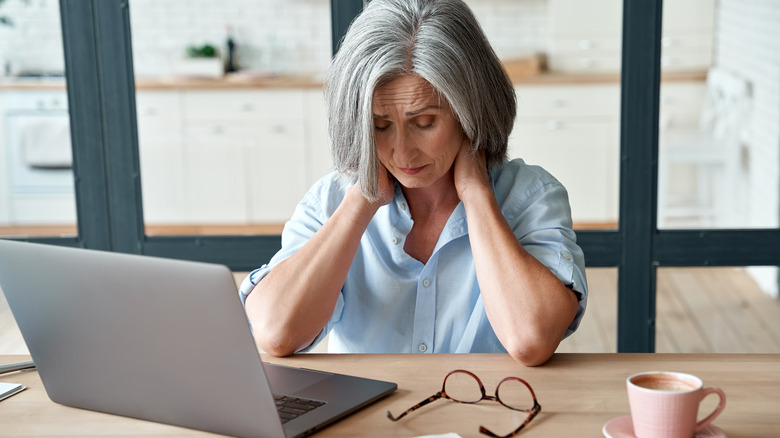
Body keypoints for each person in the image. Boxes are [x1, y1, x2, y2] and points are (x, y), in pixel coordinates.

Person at [239, 0, 587, 366]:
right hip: (367, 421)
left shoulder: (529, 197)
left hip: (487, 416)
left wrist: (477, 195)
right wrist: (361, 201)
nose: (402, 153)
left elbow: (531, 340)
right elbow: (276, 333)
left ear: (471, 111)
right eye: (379, 126)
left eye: (424, 123)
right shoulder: (329, 202)